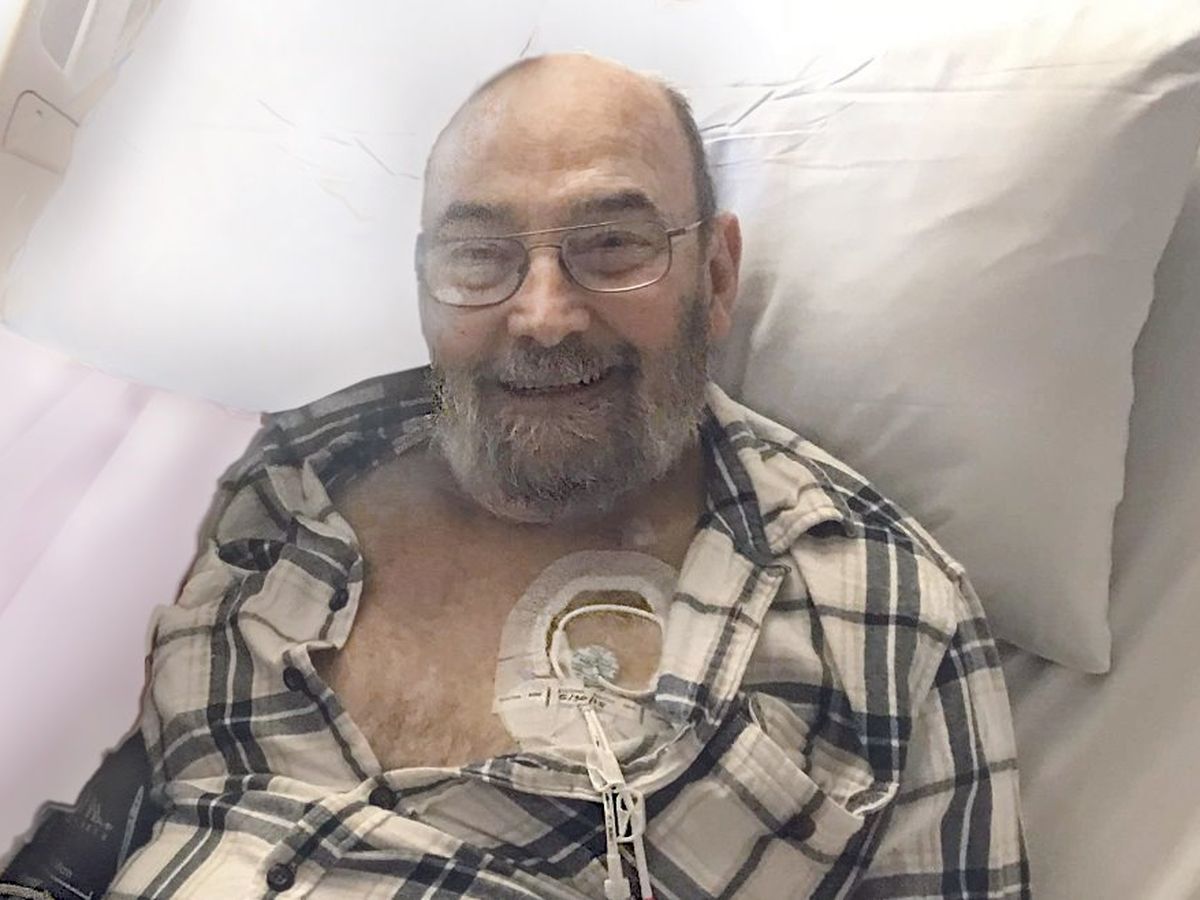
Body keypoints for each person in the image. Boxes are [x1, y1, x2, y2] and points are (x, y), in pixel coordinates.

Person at [2, 53, 1030, 899]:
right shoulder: (283, 478)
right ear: (426, 286)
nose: (542, 315)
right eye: (479, 256)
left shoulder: (885, 617)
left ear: (715, 276)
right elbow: (124, 790)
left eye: (612, 245)